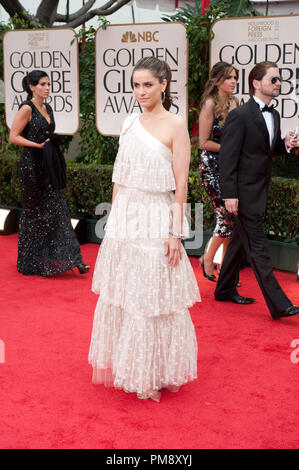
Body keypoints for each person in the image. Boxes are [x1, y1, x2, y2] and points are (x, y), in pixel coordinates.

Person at [88, 57, 200, 402]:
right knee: (125, 295)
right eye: (136, 85)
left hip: (156, 217)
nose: (141, 91)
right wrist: (112, 224)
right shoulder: (128, 122)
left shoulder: (176, 125)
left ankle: (153, 372)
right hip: (125, 218)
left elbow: (181, 184)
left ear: (164, 84)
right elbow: (119, 177)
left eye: (148, 84)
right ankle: (131, 366)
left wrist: (176, 233)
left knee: (152, 300)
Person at [214, 61, 299, 319]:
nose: (278, 84)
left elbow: (267, 151)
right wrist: (229, 194)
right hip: (242, 193)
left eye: (279, 80)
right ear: (256, 83)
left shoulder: (273, 114)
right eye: (273, 79)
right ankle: (279, 304)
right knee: (259, 248)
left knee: (241, 240)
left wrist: (285, 145)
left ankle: (224, 288)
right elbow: (227, 158)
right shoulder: (239, 116)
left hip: (259, 190)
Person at [9, 70, 89, 276]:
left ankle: (74, 259)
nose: (47, 88)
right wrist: (37, 145)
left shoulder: (48, 108)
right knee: (34, 213)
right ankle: (31, 261)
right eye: (43, 84)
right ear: (32, 87)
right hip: (32, 167)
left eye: (49, 84)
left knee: (58, 209)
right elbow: (14, 136)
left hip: (48, 165)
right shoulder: (26, 108)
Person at [198, 62, 239, 282]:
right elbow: (203, 142)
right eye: (229, 78)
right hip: (212, 168)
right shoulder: (210, 104)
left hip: (231, 167)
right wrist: (230, 149)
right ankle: (208, 259)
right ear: (217, 81)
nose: (233, 81)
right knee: (225, 218)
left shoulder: (235, 102)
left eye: (235, 78)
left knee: (231, 218)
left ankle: (225, 267)